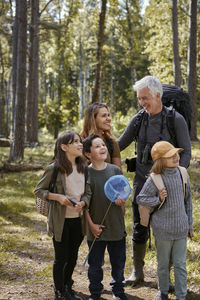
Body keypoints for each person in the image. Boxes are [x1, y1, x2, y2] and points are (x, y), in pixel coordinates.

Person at [118, 76, 191, 286]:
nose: (142, 102)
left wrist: (177, 177)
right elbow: (120, 143)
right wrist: (95, 146)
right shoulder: (139, 118)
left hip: (168, 184)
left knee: (165, 229)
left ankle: (164, 278)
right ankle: (137, 272)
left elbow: (186, 152)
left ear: (158, 95)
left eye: (145, 98)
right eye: (140, 99)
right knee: (140, 226)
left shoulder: (175, 119)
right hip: (142, 181)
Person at [137, 141, 193, 300]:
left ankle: (181, 295)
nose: (176, 157)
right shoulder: (155, 178)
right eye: (171, 156)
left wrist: (189, 225)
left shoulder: (183, 173)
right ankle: (162, 293)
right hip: (162, 230)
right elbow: (141, 198)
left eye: (176, 154)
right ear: (160, 160)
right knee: (163, 265)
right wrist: (157, 199)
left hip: (181, 228)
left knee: (180, 265)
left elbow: (188, 201)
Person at [34, 131, 86, 300]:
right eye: (75, 142)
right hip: (60, 221)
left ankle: (67, 286)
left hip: (78, 220)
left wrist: (83, 203)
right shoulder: (54, 168)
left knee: (73, 257)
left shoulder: (83, 168)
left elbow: (88, 192)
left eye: (80, 141)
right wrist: (57, 197)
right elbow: (39, 190)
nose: (80, 144)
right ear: (64, 147)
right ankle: (59, 291)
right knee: (61, 258)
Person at [81, 134, 127, 300]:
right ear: (88, 154)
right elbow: (83, 204)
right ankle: (95, 292)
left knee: (118, 263)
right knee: (95, 265)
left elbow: (123, 196)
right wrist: (91, 226)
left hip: (116, 227)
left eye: (103, 145)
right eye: (97, 146)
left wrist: (122, 202)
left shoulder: (114, 170)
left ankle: (118, 290)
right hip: (96, 229)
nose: (102, 148)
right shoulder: (86, 173)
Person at [80, 102, 121, 169]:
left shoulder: (112, 142)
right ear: (93, 119)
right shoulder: (79, 142)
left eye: (108, 115)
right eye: (104, 116)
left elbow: (118, 173)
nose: (109, 119)